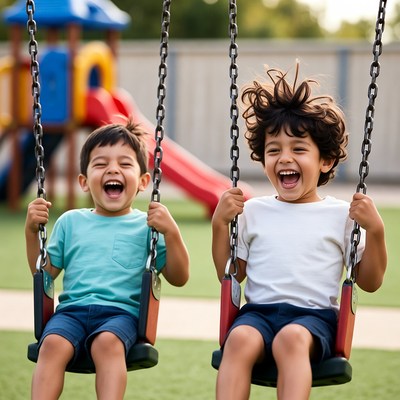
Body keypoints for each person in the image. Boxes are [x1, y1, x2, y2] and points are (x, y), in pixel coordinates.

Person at [211, 63, 387, 400]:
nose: (284, 158)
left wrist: (375, 230)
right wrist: (221, 225)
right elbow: (232, 272)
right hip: (257, 314)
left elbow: (370, 281)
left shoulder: (341, 215)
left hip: (313, 320)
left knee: (290, 339)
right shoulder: (253, 210)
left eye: (298, 149)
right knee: (239, 339)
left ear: (325, 161)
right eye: (273, 150)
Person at [25, 119, 190, 400]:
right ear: (84, 181)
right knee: (51, 344)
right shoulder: (70, 222)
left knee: (107, 343)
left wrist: (172, 232)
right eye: (100, 164)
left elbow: (179, 276)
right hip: (71, 313)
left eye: (125, 164)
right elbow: (45, 274)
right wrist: (31, 231)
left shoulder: (147, 226)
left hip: (120, 316)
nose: (113, 169)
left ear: (143, 181)